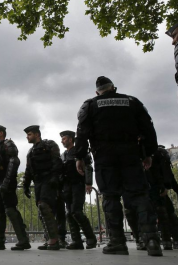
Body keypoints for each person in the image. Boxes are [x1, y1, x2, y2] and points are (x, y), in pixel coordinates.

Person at [74, 76, 162, 256]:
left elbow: (82, 132)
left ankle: (117, 242)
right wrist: (148, 153)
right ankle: (152, 240)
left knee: (110, 196)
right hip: (130, 153)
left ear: (97, 92)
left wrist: (80, 157)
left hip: (105, 155)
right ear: (114, 88)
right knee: (139, 195)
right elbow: (148, 128)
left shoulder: (90, 105)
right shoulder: (132, 102)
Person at [0, 125, 31, 251]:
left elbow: (14, 161)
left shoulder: (8, 144)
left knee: (10, 210)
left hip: (6, 181)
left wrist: (7, 181)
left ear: (1, 133)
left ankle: (23, 240)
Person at [23, 125, 62, 250]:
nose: (27, 137)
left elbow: (57, 161)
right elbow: (28, 170)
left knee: (45, 207)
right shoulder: (31, 152)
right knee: (42, 211)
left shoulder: (49, 145)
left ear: (37, 134)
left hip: (49, 180)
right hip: (38, 182)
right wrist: (26, 185)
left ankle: (54, 240)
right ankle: (49, 238)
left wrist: (55, 178)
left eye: (29, 134)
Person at [60, 130, 97, 250]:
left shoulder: (79, 151)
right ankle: (77, 241)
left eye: (64, 138)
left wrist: (88, 183)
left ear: (70, 139)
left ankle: (91, 238)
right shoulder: (63, 155)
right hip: (67, 186)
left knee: (76, 211)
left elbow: (88, 166)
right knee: (69, 214)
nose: (62, 141)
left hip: (78, 184)